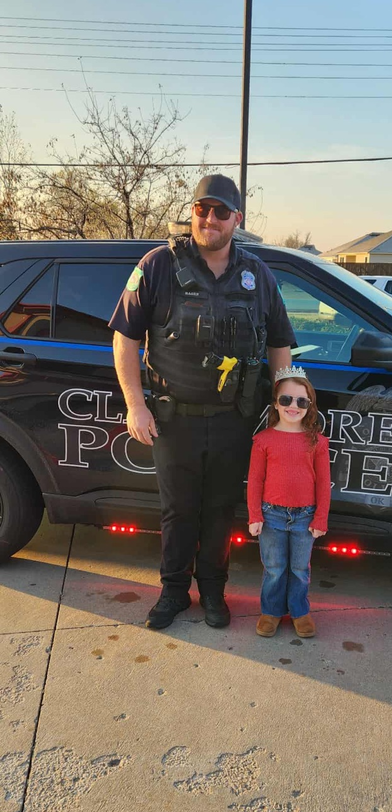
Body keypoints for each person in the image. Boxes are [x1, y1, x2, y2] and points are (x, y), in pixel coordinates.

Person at [109, 174, 293, 631]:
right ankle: (173, 592)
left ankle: (213, 591)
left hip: (235, 419)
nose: (209, 219)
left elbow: (280, 344)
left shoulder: (257, 275)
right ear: (192, 211)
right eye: (201, 209)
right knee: (178, 511)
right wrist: (136, 404)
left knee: (220, 510)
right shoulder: (156, 266)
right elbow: (125, 339)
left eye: (220, 211)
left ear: (237, 218)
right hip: (174, 418)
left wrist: (281, 404)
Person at [247, 366, 331, 638]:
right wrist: (254, 515)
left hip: (305, 517)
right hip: (271, 515)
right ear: (275, 403)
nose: (293, 406)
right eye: (286, 400)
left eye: (301, 401)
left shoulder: (317, 442)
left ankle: (299, 611)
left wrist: (320, 518)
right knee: (274, 567)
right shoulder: (263, 440)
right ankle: (270, 611)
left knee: (299, 568)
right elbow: (255, 480)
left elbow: (322, 484)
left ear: (309, 405)